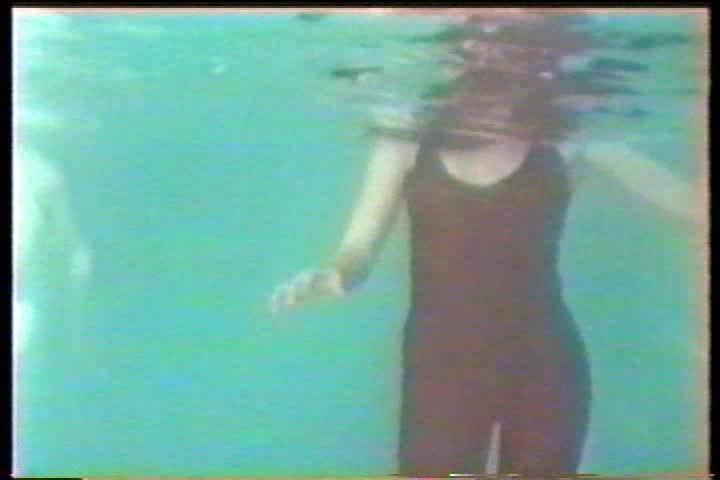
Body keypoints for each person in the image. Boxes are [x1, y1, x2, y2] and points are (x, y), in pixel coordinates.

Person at [270, 10, 702, 477]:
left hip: (544, 362)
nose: (493, 51)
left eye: (514, 40)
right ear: (459, 48)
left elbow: (689, 206)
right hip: (439, 367)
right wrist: (336, 274)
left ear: (540, 55)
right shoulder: (405, 134)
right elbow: (358, 248)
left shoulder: (565, 138)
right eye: (481, 34)